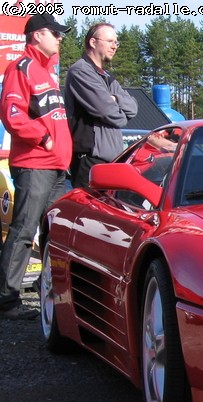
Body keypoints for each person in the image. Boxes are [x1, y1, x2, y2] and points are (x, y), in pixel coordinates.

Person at [0, 14, 72, 320]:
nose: (60, 39)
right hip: (34, 164)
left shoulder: (48, 73)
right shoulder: (22, 68)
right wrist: (43, 139)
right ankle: (6, 299)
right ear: (37, 35)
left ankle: (49, 290)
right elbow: (12, 113)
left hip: (56, 168)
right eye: (55, 33)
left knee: (54, 232)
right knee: (24, 229)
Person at [65, 22, 137, 189]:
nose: (114, 46)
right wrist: (116, 106)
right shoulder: (80, 71)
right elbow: (109, 112)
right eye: (110, 41)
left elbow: (133, 108)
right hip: (89, 161)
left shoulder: (106, 76)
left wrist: (114, 99)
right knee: (89, 214)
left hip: (111, 162)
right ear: (93, 42)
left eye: (116, 42)